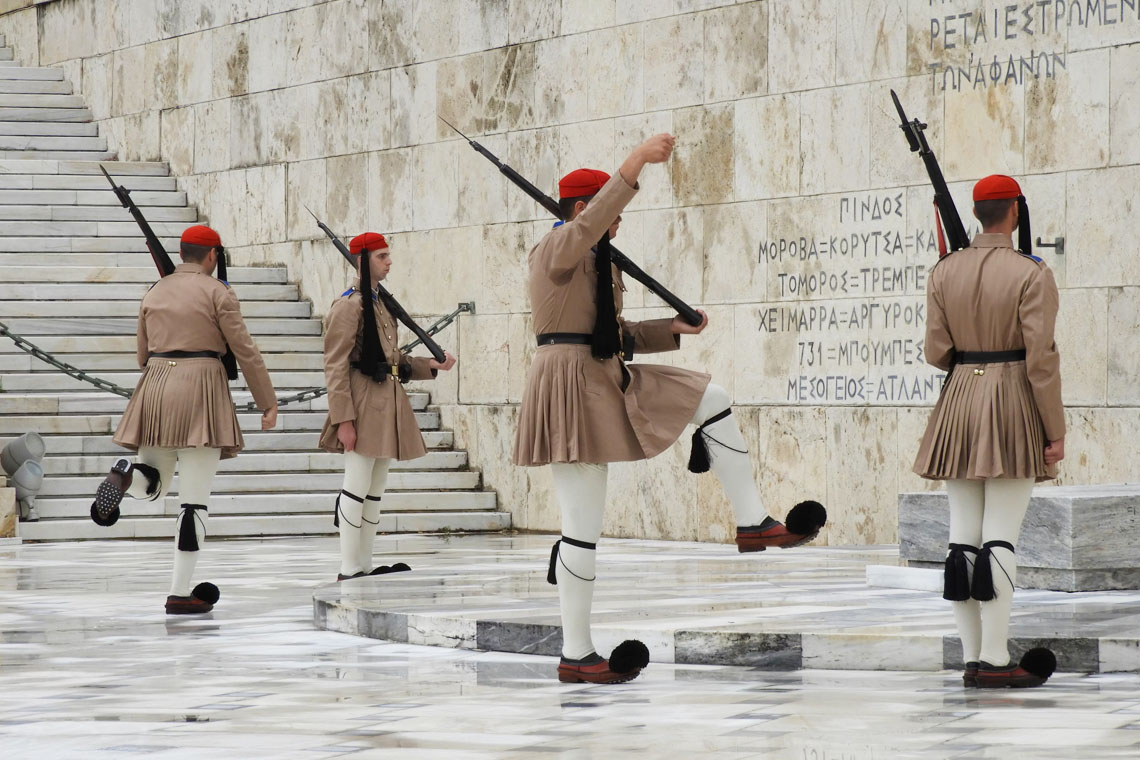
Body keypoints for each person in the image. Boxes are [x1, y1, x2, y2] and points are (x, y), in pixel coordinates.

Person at [514, 134, 826, 684]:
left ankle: (753, 523)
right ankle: (577, 654)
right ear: (584, 208)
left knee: (713, 399)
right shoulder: (559, 245)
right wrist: (635, 161)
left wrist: (671, 329)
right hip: (569, 387)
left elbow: (612, 332)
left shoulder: (591, 257)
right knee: (581, 527)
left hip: (602, 374)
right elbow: (588, 229)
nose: (618, 223)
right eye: (610, 213)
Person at [914, 174, 1064, 688]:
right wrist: (1055, 429)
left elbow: (937, 352)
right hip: (1011, 399)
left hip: (959, 401)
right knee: (1000, 536)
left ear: (977, 214)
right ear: (1015, 212)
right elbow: (1040, 360)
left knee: (962, 539)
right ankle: (996, 660)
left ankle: (972, 659)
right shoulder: (1031, 272)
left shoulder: (943, 271)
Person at [92, 224, 278, 614]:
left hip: (156, 386)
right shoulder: (219, 292)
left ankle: (126, 476)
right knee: (193, 503)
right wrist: (267, 402)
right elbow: (245, 350)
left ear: (181, 253)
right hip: (201, 390)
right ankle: (179, 592)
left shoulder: (154, 290)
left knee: (153, 483)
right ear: (213, 255)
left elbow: (142, 355)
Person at [318, 232, 456, 582]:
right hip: (362, 401)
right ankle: (349, 567)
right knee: (356, 485)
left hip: (385, 399)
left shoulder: (379, 302)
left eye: (388, 255)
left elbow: (391, 359)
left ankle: (364, 564)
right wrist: (343, 420)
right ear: (362, 262)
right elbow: (335, 366)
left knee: (375, 489)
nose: (389, 261)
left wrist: (430, 365)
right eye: (381, 256)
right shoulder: (349, 305)